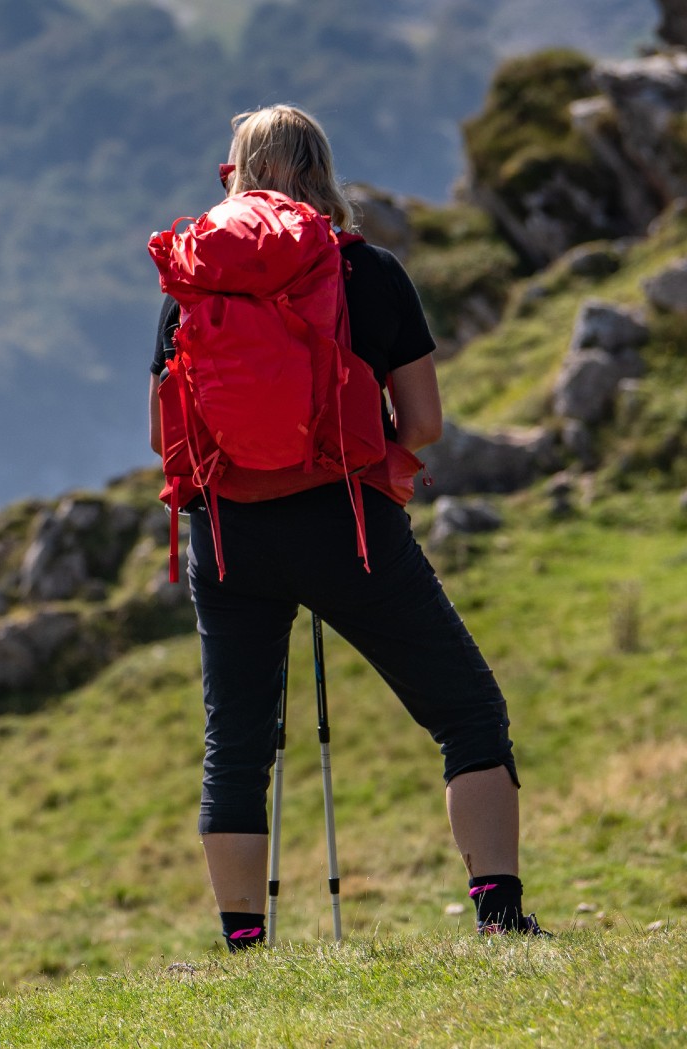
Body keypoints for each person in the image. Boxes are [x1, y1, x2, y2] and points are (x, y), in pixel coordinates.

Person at [149, 104, 543, 949]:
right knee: (467, 711)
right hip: (346, 525)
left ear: (235, 175)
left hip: (228, 537)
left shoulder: (196, 281)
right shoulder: (369, 272)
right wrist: (359, 451)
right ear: (322, 170)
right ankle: (500, 913)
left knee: (238, 746)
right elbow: (426, 421)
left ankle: (245, 943)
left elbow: (165, 436)